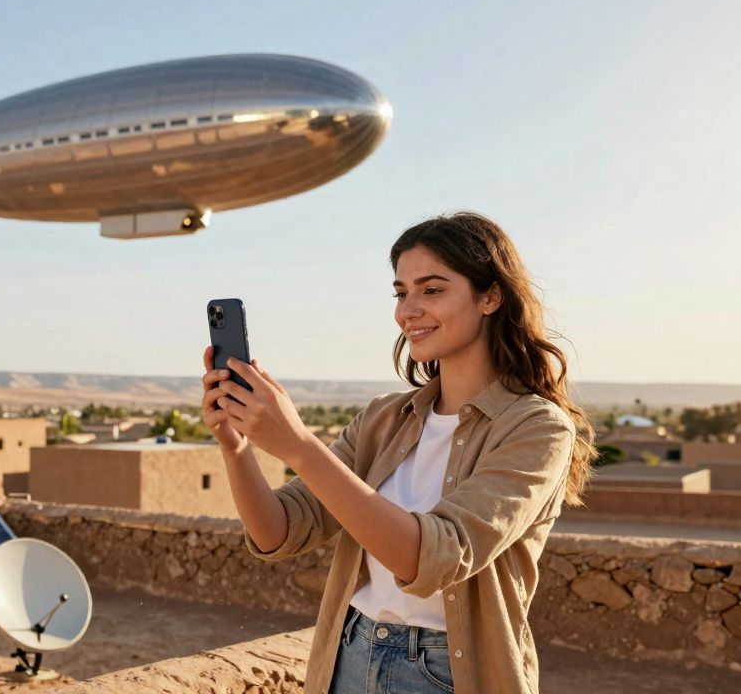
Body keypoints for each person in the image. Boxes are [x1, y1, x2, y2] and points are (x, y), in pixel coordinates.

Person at [200, 212, 596, 694]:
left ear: (491, 296)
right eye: (401, 292)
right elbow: (277, 533)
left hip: (448, 674)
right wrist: (235, 447)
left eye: (432, 290)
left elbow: (433, 556)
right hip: (347, 654)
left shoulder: (536, 427)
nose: (407, 310)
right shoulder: (384, 419)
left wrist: (301, 447)